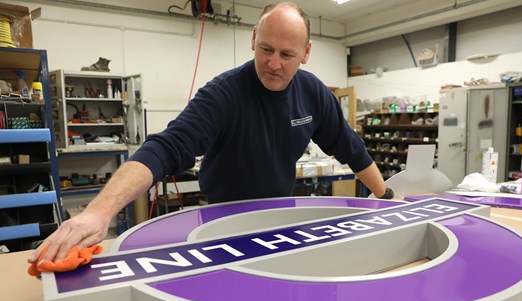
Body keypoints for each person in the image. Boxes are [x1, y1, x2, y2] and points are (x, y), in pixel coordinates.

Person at [28, 1, 392, 267]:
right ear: (253, 39)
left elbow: (350, 148)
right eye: (266, 49)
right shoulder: (224, 94)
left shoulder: (313, 94)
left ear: (306, 53)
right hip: (220, 223)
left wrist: (386, 195)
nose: (273, 63)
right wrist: (97, 212)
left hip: (279, 217)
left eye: (286, 54)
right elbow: (165, 147)